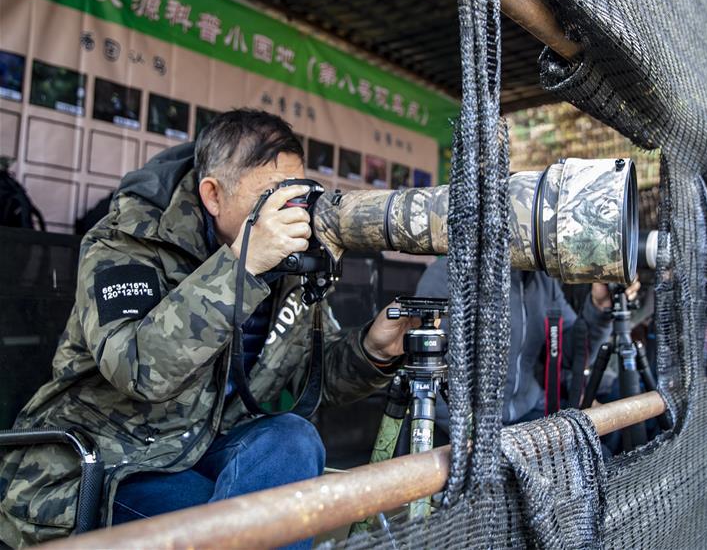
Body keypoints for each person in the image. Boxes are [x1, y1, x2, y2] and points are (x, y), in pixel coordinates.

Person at [0, 110, 412, 548]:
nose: (288, 213)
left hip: (208, 446)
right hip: (109, 465)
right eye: (271, 197)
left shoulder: (286, 259)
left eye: (296, 195)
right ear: (213, 195)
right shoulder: (128, 242)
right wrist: (243, 266)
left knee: (292, 438)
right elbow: (140, 369)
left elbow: (313, 377)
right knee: (238, 520)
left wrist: (374, 349)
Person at [415, 258, 639, 427]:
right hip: (470, 428)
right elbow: (428, 379)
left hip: (529, 412)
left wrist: (600, 306)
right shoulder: (447, 273)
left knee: (602, 454)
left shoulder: (541, 280)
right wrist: (476, 439)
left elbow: (572, 353)